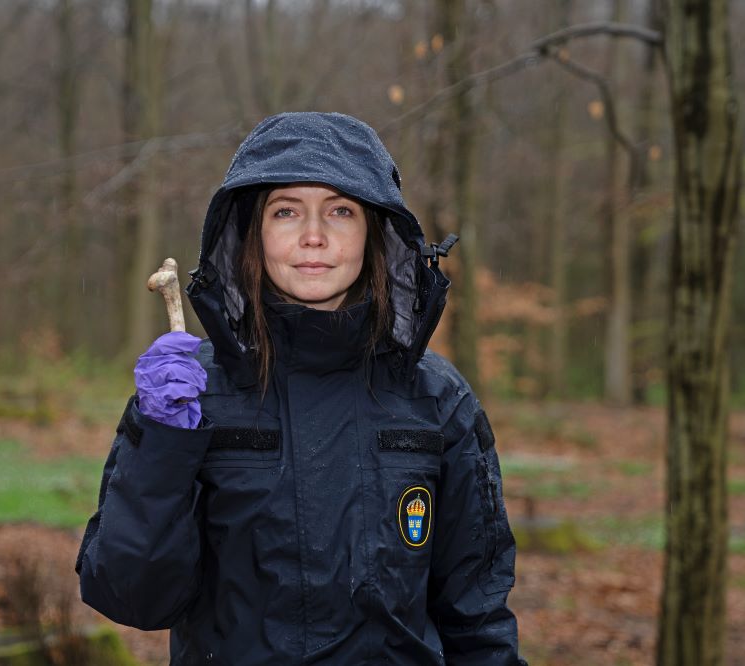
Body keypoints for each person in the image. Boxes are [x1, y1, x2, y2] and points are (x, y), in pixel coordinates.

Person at [75, 111, 527, 665]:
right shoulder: (190, 396)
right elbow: (133, 597)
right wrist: (162, 443)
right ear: (251, 233)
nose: (314, 235)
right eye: (286, 211)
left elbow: (477, 619)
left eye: (340, 210)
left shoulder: (436, 399)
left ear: (376, 232)